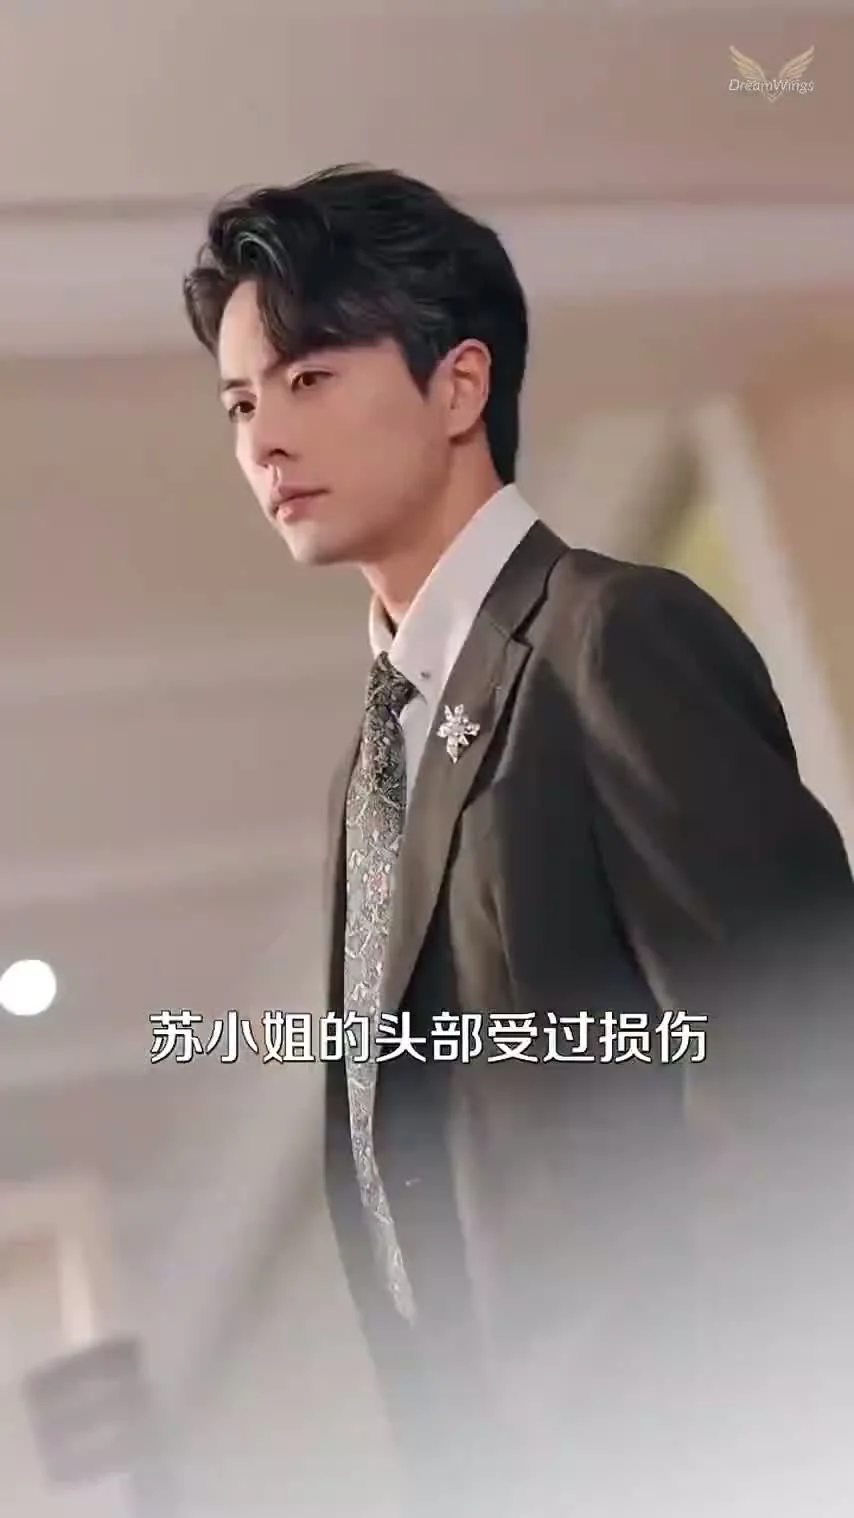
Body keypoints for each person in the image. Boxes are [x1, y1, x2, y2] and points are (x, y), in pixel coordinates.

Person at [183, 166, 854, 1516]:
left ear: (458, 386)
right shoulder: (369, 769)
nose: (265, 440)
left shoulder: (610, 640)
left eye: (309, 378)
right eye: (242, 403)